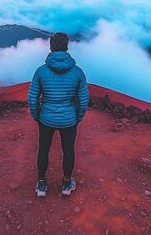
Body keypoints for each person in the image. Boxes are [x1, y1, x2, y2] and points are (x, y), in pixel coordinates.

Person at [28, 32, 89, 197]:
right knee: (68, 151)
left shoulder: (40, 72)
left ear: (51, 47)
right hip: (69, 120)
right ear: (67, 47)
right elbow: (83, 101)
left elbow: (33, 98)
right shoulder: (78, 72)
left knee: (43, 149)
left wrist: (36, 115)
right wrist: (78, 117)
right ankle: (66, 184)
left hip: (46, 118)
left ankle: (41, 185)